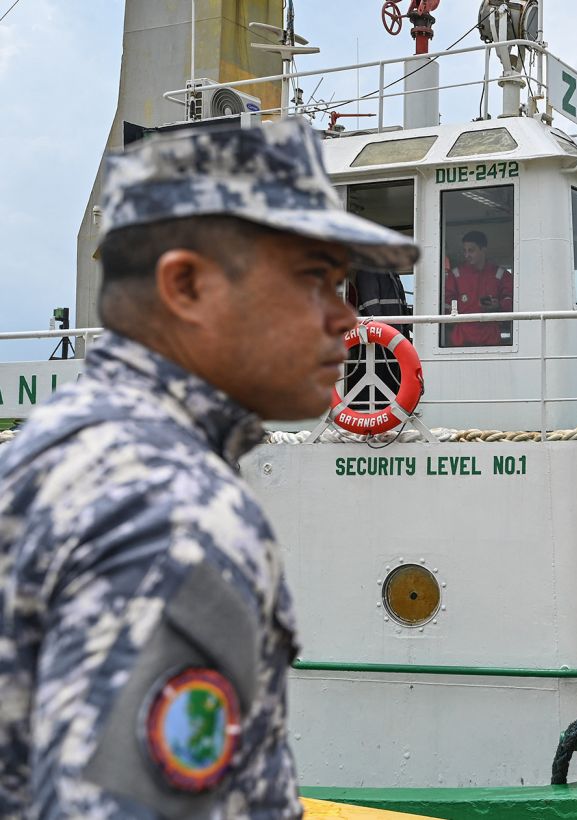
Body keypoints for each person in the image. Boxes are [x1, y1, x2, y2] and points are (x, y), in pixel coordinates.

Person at [0, 118, 417, 815]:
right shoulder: (173, 515)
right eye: (314, 280)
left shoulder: (58, 444)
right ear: (187, 286)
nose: (348, 321)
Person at [443, 230, 514, 347]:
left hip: (491, 338)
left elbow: (512, 301)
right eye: (465, 251)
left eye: (471, 250)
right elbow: (446, 304)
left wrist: (498, 305)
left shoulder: (501, 274)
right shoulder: (455, 275)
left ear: (483, 250)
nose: (467, 255)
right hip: (461, 339)